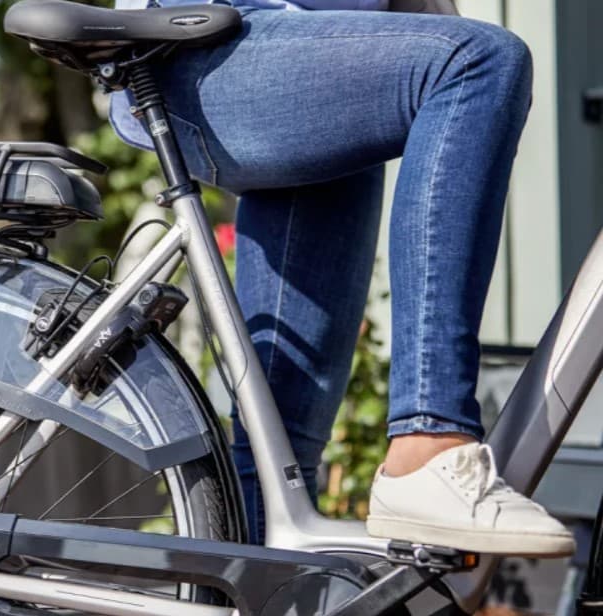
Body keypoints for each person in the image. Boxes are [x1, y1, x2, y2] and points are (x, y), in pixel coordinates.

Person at [110, 0, 575, 555]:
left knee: (279, 457)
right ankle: (427, 443)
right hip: (201, 44)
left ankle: (253, 591)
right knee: (479, 61)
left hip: (300, 43)